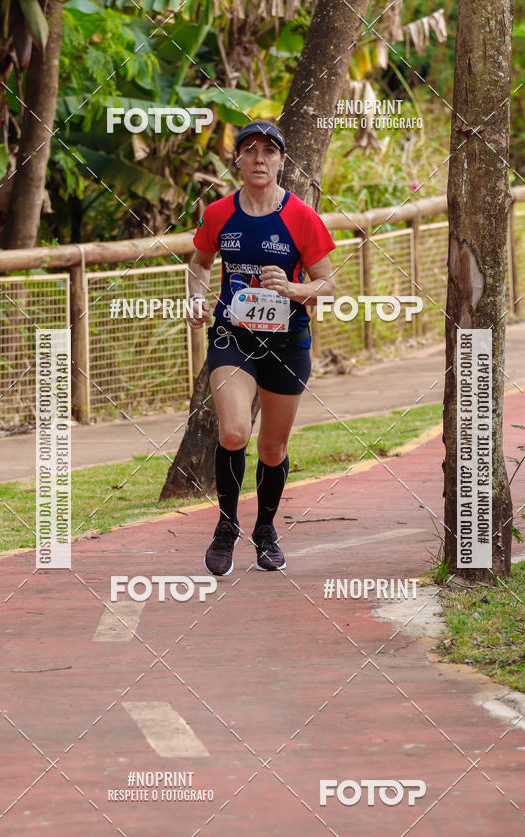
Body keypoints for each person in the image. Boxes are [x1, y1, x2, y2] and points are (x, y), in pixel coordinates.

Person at [186, 119, 336, 576]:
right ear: (238, 159)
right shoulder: (218, 214)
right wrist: (196, 295)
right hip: (233, 337)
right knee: (233, 432)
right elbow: (200, 262)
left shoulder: (300, 217)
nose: (258, 159)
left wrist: (293, 289)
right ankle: (226, 527)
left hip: (288, 343)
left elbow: (327, 286)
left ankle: (265, 530)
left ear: (280, 162)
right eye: (250, 150)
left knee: (272, 448)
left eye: (268, 152)